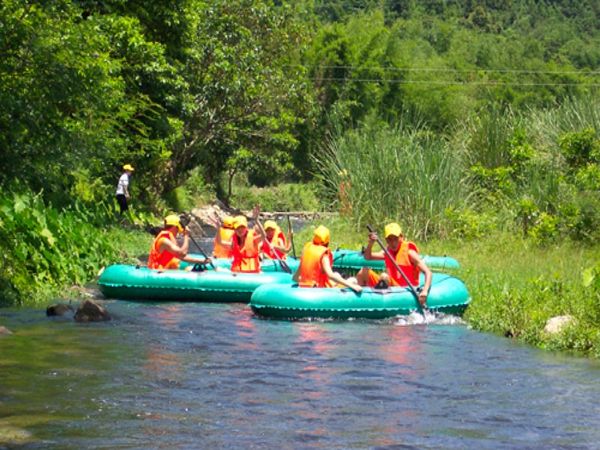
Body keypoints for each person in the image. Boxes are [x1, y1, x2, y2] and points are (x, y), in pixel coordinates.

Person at [356, 222, 432, 306]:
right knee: (363, 272)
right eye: (390, 239)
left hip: (406, 290)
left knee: (384, 276)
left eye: (395, 239)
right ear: (386, 240)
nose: (393, 243)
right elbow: (368, 257)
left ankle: (379, 303)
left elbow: (428, 272)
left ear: (401, 237)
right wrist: (371, 243)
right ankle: (361, 302)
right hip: (391, 286)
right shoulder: (387, 252)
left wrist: (424, 291)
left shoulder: (410, 253)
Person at [293, 225, 362, 293]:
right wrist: (352, 286)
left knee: (336, 274)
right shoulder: (323, 255)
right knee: (353, 280)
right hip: (317, 289)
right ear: (327, 242)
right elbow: (330, 275)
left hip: (303, 286)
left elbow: (295, 278)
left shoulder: (307, 250)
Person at [217, 206, 264, 273]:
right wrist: (218, 230)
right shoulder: (234, 243)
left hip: (253, 273)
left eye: (242, 227)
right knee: (218, 269)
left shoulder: (254, 240)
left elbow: (263, 236)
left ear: (246, 228)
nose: (240, 230)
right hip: (237, 273)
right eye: (238, 228)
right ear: (234, 229)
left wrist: (257, 221)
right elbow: (220, 242)